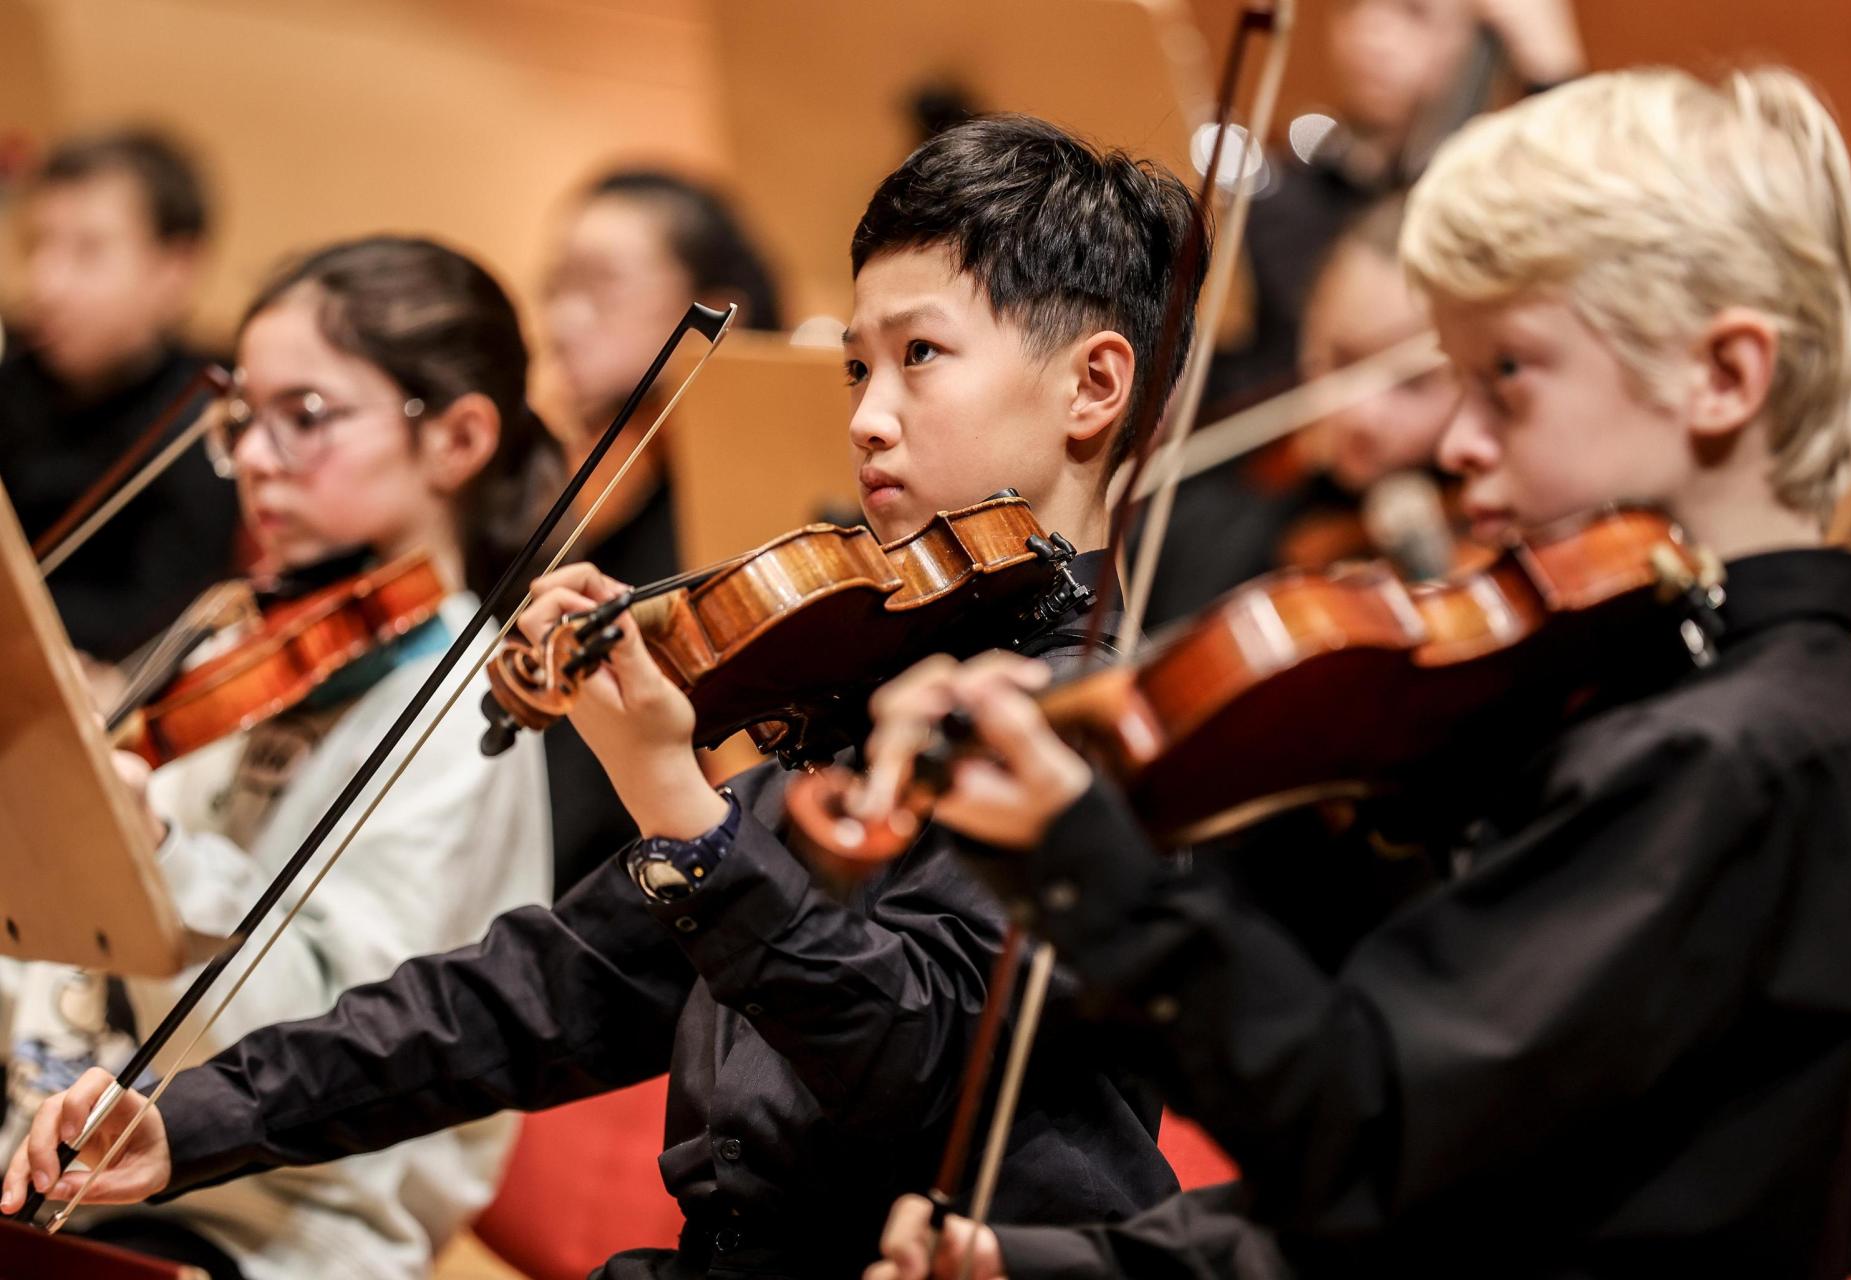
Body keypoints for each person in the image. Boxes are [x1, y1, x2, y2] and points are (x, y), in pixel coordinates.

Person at [4, 114, 1209, 1280]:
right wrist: (190, 1119)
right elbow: (545, 988)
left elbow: (923, 1064)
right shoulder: (866, 674)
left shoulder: (1085, 717)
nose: (865, 417)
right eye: (854, 365)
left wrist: (687, 813)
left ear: (1094, 385)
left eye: (919, 357)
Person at [864, 64, 1851, 1278]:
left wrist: (1095, 862)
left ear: (1724, 376)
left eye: (1507, 375)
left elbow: (1371, 1136)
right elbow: (1475, 1193)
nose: (1456, 445)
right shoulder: (1661, 701)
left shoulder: (1722, 753)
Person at [0, 236, 552, 1280]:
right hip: (58, 1158)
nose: (255, 454)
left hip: (269, 1223)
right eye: (243, 415)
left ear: (459, 438)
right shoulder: (231, 638)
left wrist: (146, 843)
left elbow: (325, 1042)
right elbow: (64, 963)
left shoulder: (473, 707)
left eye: (305, 416)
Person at [538, 169, 783, 895]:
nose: (560, 322)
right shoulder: (588, 501)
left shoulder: (747, 511)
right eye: (553, 288)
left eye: (599, 286)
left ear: (716, 304)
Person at [1207, 0, 1586, 408]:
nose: (1371, 32)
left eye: (1414, 12)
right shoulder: (1284, 198)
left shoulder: (1492, 213)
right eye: (1352, 5)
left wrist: (1555, 80)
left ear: (1474, 42)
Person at [1143, 194, 1467, 629]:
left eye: (1412, 383)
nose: (1361, 413)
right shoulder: (1212, 528)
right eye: (1340, 360)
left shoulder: (1491, 526)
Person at [0, 128, 240, 661]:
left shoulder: (209, 415)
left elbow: (155, 616)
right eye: (36, 246)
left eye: (88, 251)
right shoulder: (12, 374)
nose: (45, 283)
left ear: (175, 269)